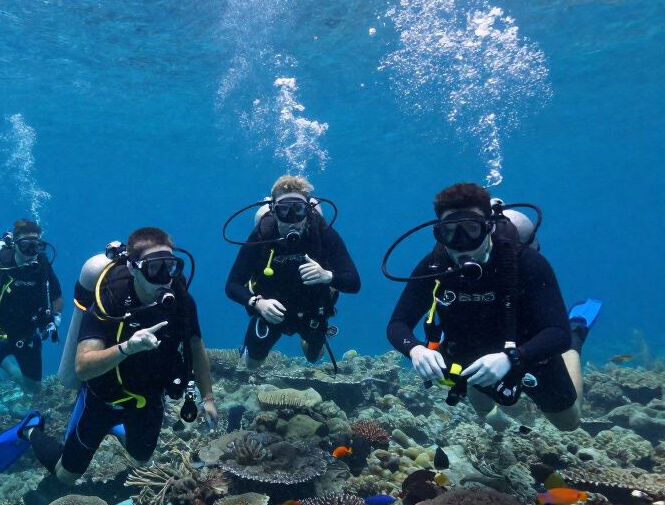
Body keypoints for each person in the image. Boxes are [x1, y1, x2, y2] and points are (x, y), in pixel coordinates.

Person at [386, 182, 599, 432]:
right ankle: (502, 435)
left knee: (569, 424)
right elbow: (398, 324)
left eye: (471, 229)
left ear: (487, 228)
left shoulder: (526, 262)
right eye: (450, 232)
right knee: (486, 412)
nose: (461, 242)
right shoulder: (434, 267)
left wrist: (513, 358)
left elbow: (557, 333)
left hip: (530, 350)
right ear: (438, 233)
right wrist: (415, 351)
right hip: (473, 353)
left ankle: (578, 336)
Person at [32, 227, 217, 485]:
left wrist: (207, 397)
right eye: (154, 268)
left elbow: (196, 346)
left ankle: (116, 428)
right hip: (102, 397)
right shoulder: (110, 299)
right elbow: (83, 366)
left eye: (171, 267)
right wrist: (128, 347)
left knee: (141, 459)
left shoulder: (182, 300)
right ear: (133, 268)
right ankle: (30, 429)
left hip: (146, 398)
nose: (165, 278)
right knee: (66, 476)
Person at [225, 175, 361, 371]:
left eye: (298, 210)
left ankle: (309, 341)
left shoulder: (322, 233)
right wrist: (258, 303)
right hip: (270, 311)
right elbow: (232, 285)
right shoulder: (261, 235)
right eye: (283, 210)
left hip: (312, 309)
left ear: (308, 210)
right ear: (273, 210)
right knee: (250, 366)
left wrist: (327, 276)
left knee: (313, 357)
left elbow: (354, 282)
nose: (292, 220)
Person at [0, 219, 63, 405]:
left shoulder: (42, 265)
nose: (31, 252)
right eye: (26, 246)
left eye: (36, 246)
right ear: (14, 245)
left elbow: (57, 298)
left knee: (33, 390)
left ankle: (6, 365)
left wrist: (54, 319)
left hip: (27, 334)